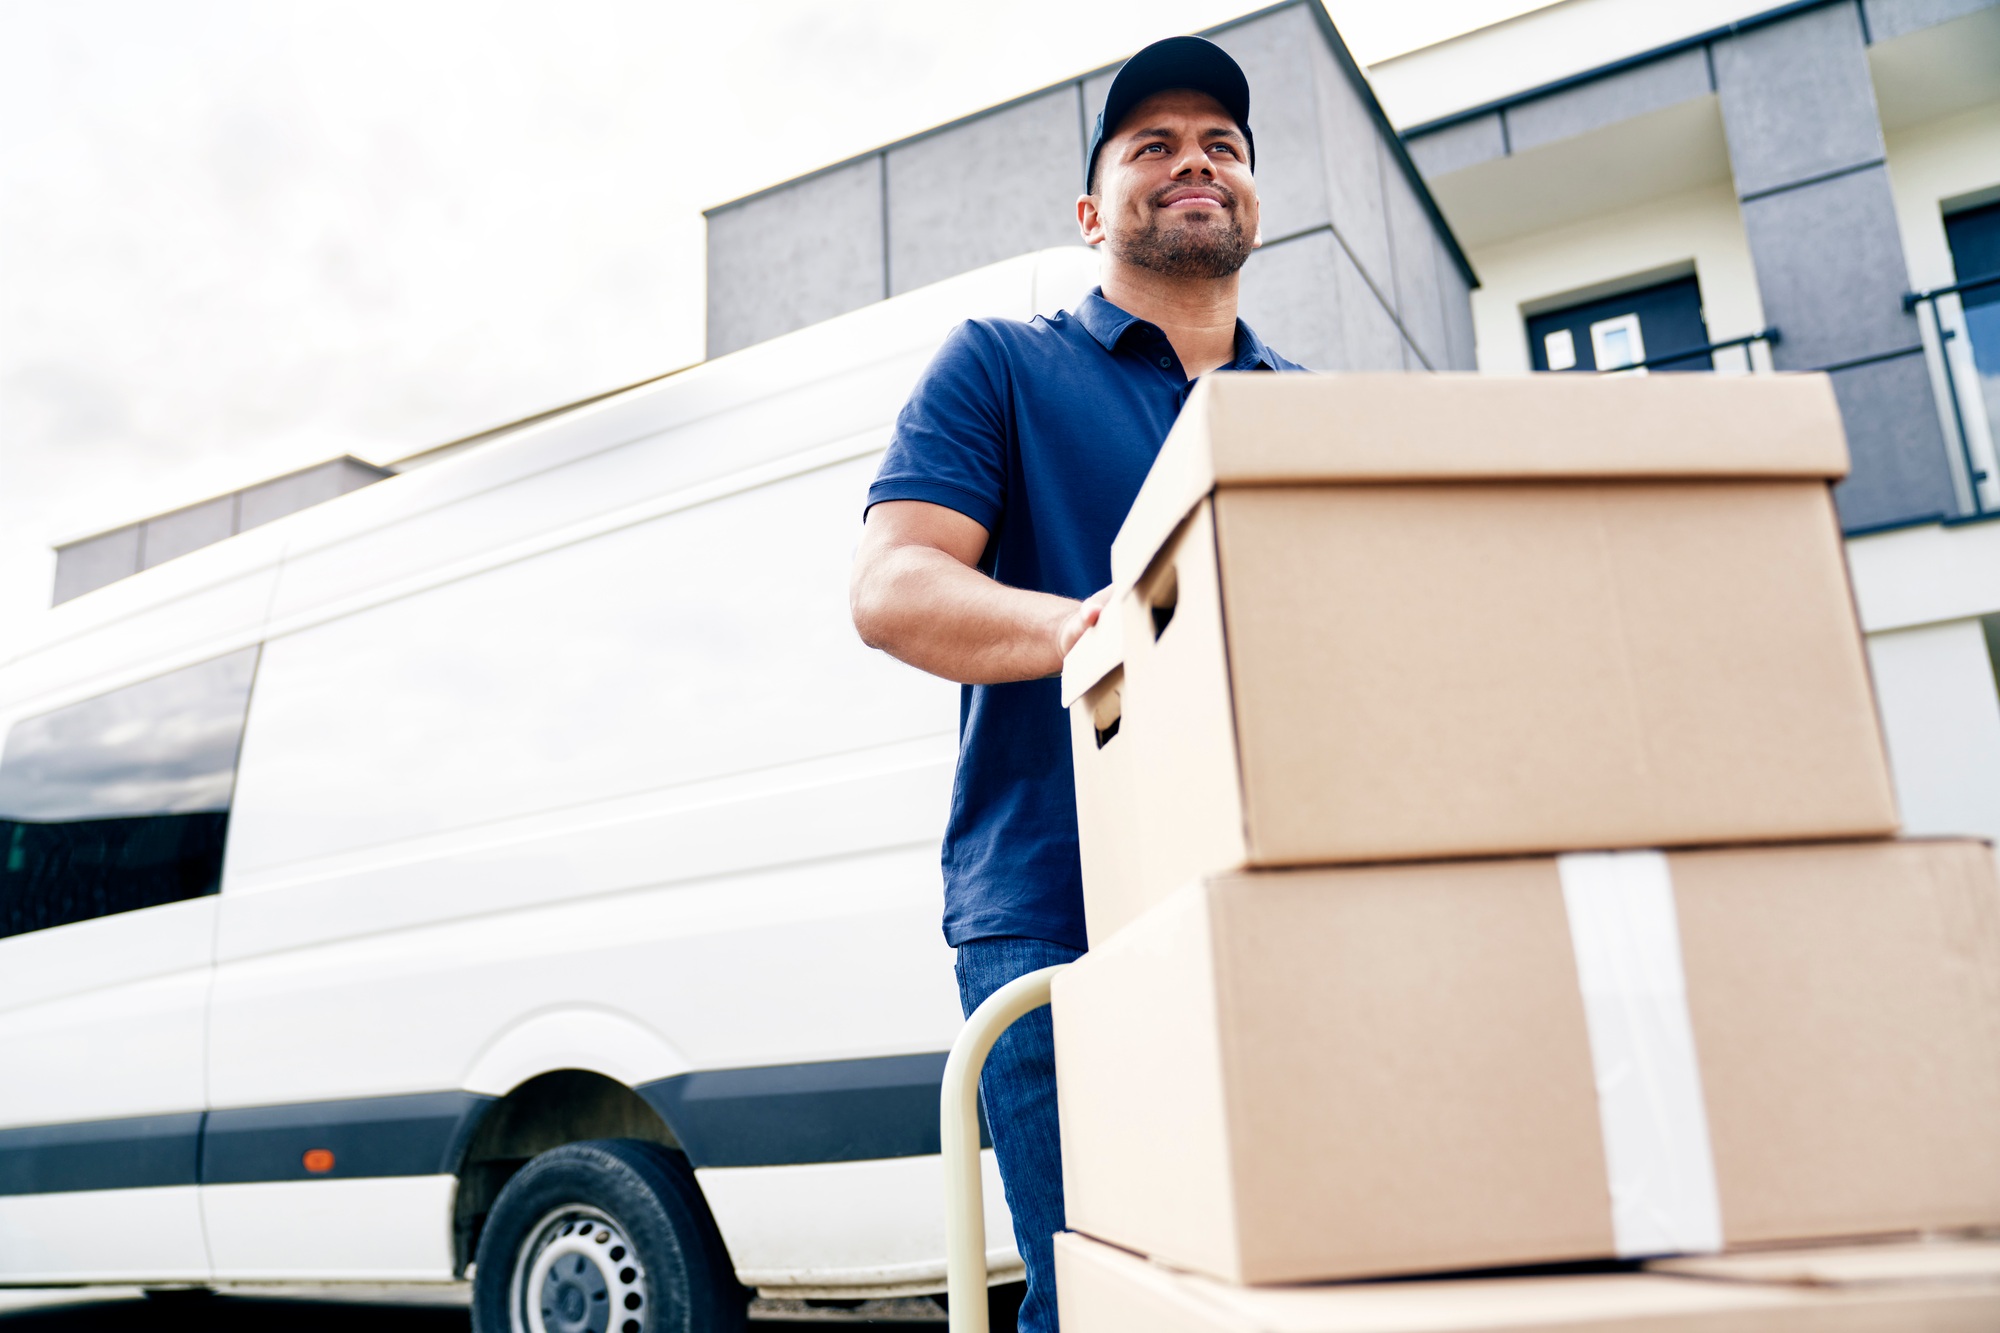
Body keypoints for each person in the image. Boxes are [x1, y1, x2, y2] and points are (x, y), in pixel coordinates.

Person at [848, 34, 1306, 1332]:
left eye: (1221, 145)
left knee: (1290, 1270)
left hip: (1276, 897)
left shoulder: (1307, 409)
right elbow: (893, 588)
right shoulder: (999, 364)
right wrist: (1098, 629)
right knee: (1108, 1293)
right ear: (1094, 210)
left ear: (1255, 200)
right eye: (1152, 146)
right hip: (1060, 904)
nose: (1194, 164)